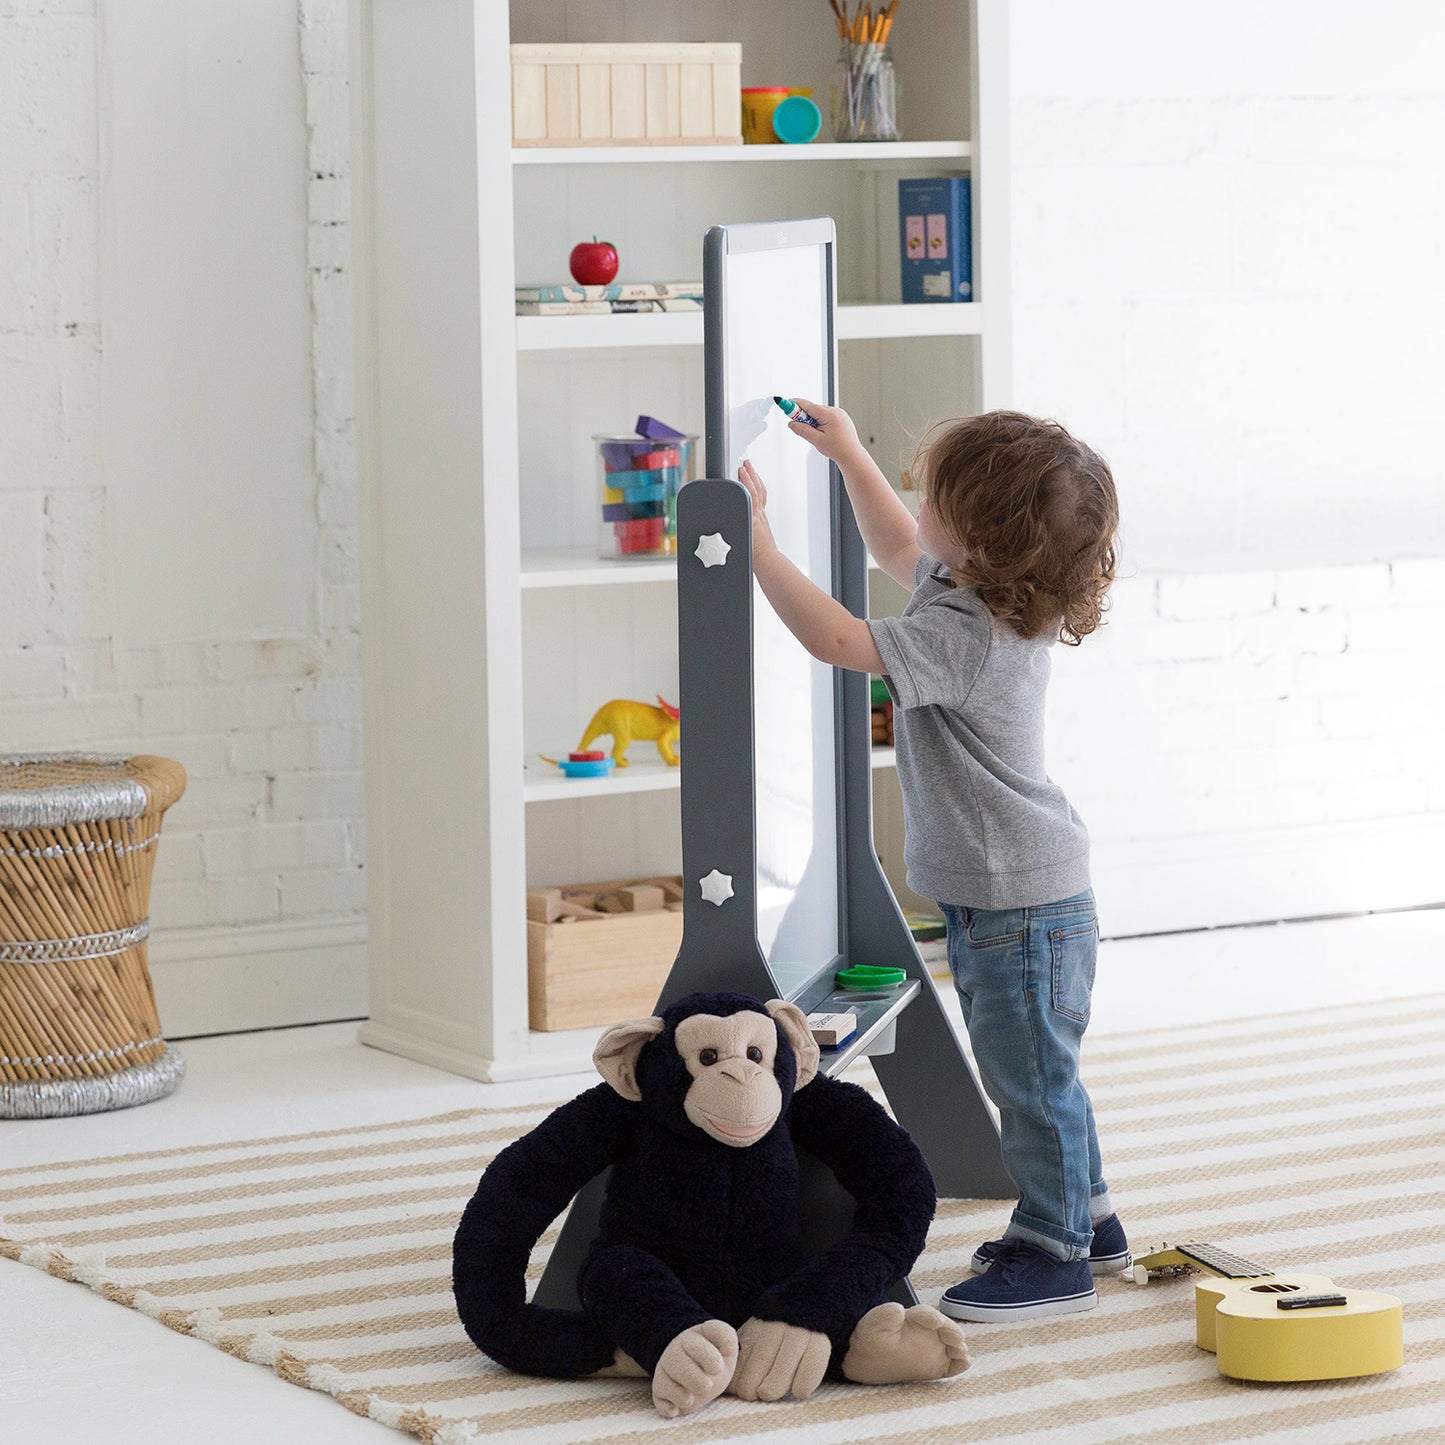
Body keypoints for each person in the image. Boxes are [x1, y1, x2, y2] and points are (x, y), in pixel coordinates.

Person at [736, 402, 1124, 1322]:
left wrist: (756, 549)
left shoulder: (969, 634)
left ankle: (1054, 1251)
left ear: (982, 535)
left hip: (1019, 902)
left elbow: (838, 641)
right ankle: (1088, 1219)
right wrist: (848, 454)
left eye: (936, 497)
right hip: (1014, 891)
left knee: (1029, 1079)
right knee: (1037, 1070)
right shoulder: (987, 592)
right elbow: (895, 542)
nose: (920, 507)